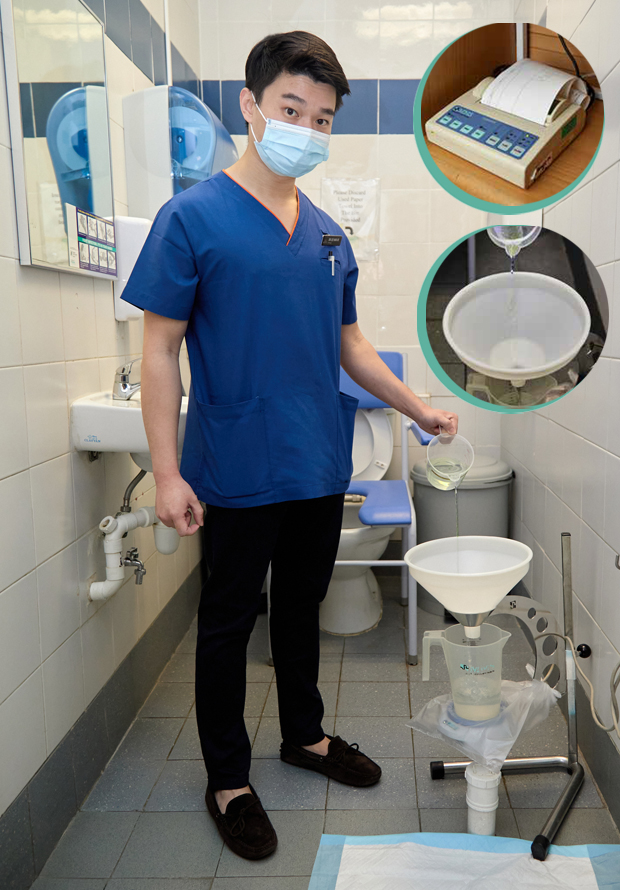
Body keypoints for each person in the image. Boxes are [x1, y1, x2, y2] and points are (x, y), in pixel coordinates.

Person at [121, 30, 458, 862]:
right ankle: (228, 779)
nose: (305, 126)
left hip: (317, 460)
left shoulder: (328, 234)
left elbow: (350, 346)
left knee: (302, 606)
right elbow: (158, 351)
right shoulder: (190, 218)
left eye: (322, 117)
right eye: (290, 108)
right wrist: (166, 472)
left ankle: (304, 737)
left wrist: (419, 407)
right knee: (231, 623)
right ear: (251, 105)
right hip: (234, 465)